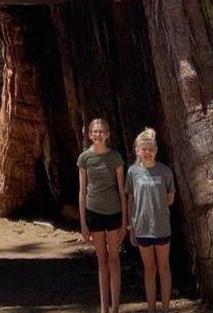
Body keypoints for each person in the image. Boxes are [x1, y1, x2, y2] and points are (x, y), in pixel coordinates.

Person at [78, 118, 127, 313]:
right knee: (102, 261)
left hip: (113, 212)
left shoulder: (115, 158)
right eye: (95, 132)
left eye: (101, 131)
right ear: (90, 135)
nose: (98, 135)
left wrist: (125, 223)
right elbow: (82, 192)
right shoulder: (84, 158)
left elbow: (122, 191)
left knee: (114, 259)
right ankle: (104, 308)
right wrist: (83, 223)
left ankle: (115, 307)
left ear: (107, 135)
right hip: (94, 213)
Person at [125, 128, 175, 313]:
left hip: (161, 227)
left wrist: (158, 208)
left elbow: (170, 197)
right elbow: (130, 200)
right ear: (137, 150)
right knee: (149, 269)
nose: (147, 152)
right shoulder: (132, 172)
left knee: (164, 267)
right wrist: (131, 226)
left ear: (155, 150)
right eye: (143, 149)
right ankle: (151, 309)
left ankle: (166, 308)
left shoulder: (164, 171)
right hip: (142, 228)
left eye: (150, 149)